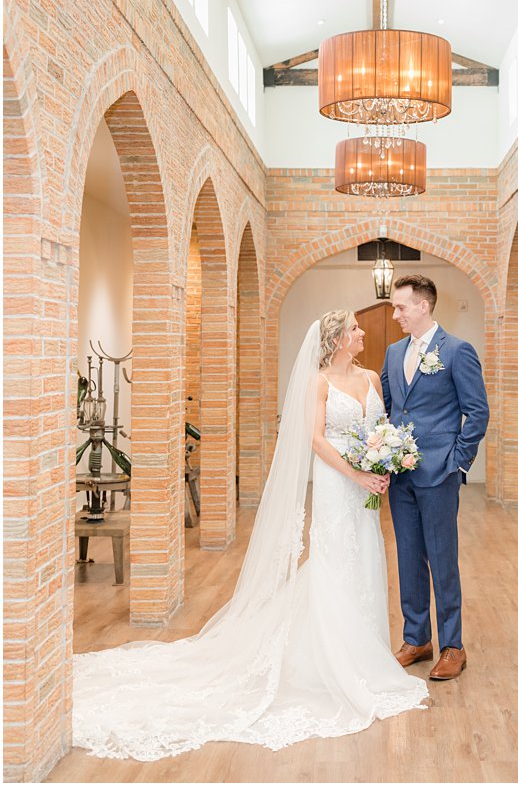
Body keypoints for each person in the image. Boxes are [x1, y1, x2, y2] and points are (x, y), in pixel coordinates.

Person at [72, 311, 428, 761]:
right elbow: (316, 440)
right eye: (355, 329)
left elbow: (379, 429)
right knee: (335, 562)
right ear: (338, 339)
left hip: (367, 486)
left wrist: (382, 463)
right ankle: (333, 663)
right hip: (341, 483)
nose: (362, 334)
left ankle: (366, 653)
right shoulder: (318, 382)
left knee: (368, 561)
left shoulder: (373, 378)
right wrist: (356, 473)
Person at [382, 274, 489, 681]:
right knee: (408, 557)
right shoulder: (394, 353)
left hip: (439, 471)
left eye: (401, 307)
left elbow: (477, 412)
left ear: (423, 306)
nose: (396, 315)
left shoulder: (457, 351)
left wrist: (457, 461)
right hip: (401, 475)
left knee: (442, 560)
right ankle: (416, 639)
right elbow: (391, 408)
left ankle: (452, 646)